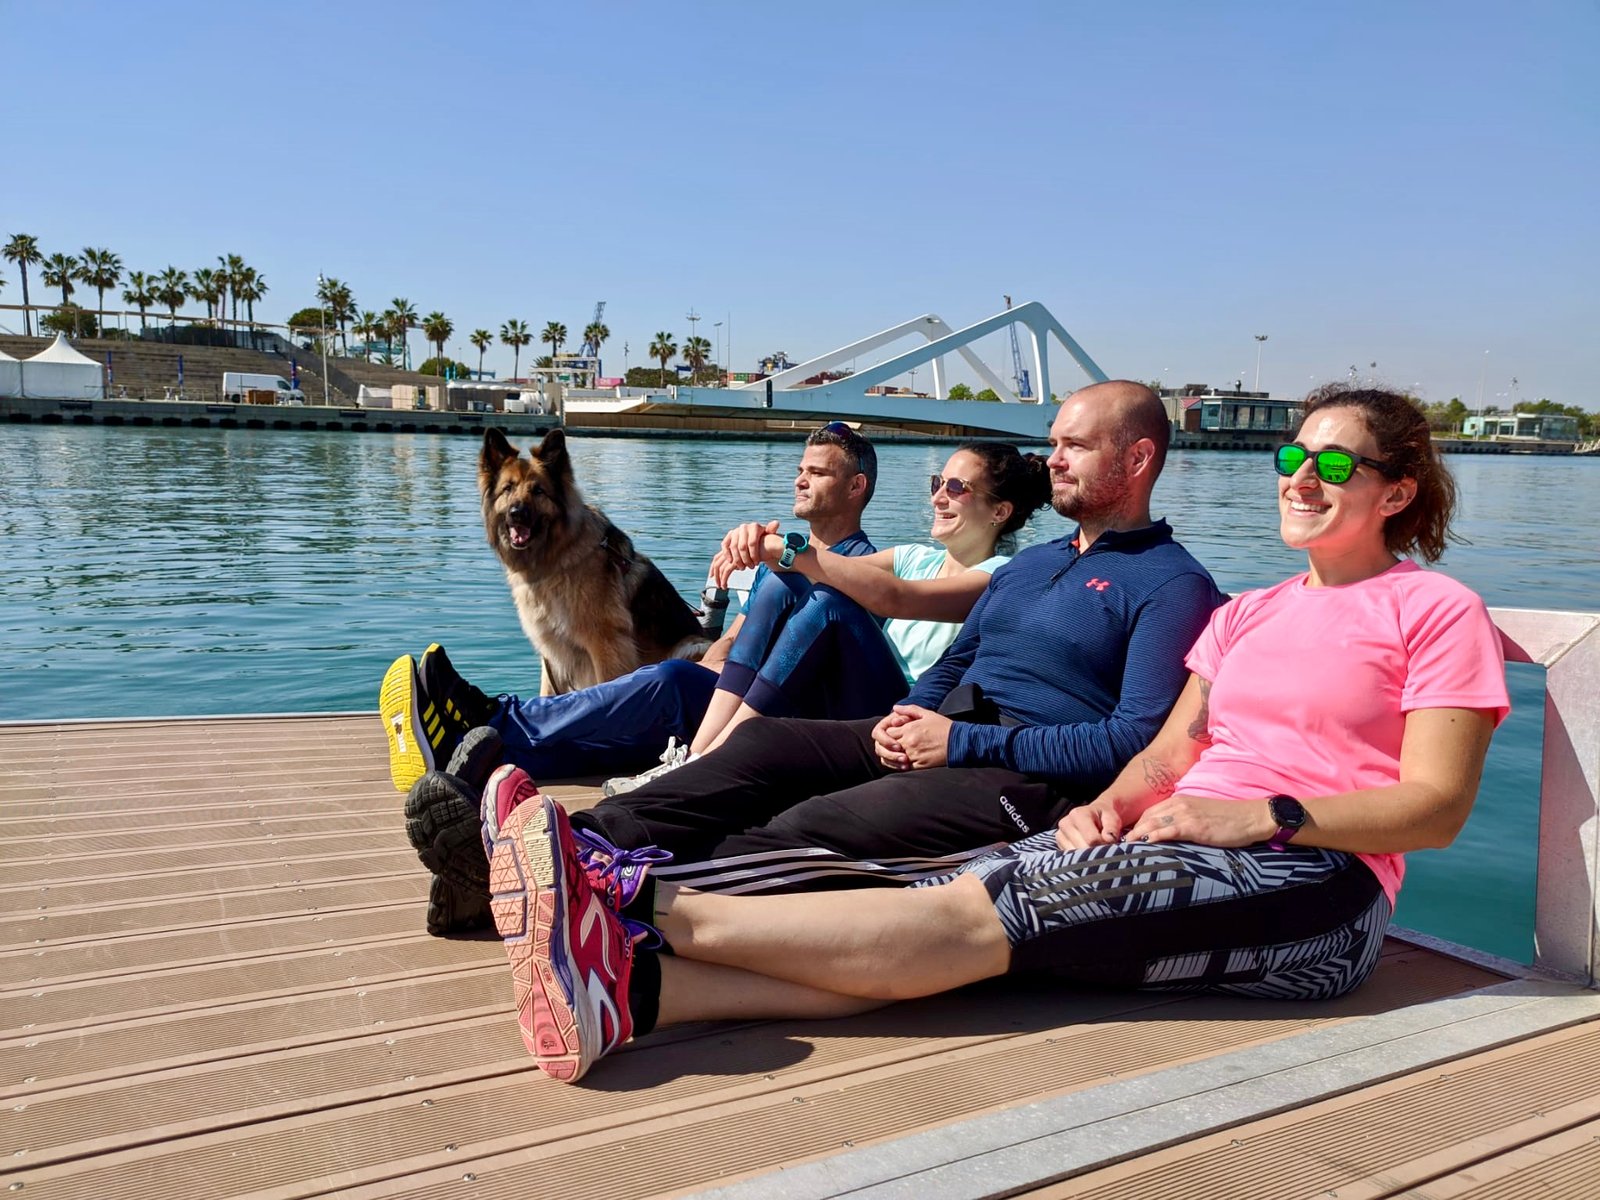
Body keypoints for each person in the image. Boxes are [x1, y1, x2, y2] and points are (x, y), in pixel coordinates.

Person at [486, 383, 1511, 1082]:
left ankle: (634, 904)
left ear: (1398, 490)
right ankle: (639, 998)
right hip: (1174, 834)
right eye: (1292, 452)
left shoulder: (1433, 613)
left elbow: (1436, 807)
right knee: (964, 926)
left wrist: (1260, 817)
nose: (1299, 473)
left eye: (1331, 459)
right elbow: (1168, 752)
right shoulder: (1249, 613)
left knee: (988, 910)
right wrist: (1112, 809)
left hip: (1317, 890)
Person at [549, 380, 1223, 896]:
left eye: (1075, 447)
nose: (1052, 461)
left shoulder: (1172, 585)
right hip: (941, 734)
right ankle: (568, 846)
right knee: (765, 744)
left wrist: (961, 741)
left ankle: (623, 893)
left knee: (817, 823)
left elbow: (1130, 741)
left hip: (1027, 780)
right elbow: (960, 658)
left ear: (1137, 459)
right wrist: (907, 715)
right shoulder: (1033, 563)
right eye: (1053, 444)